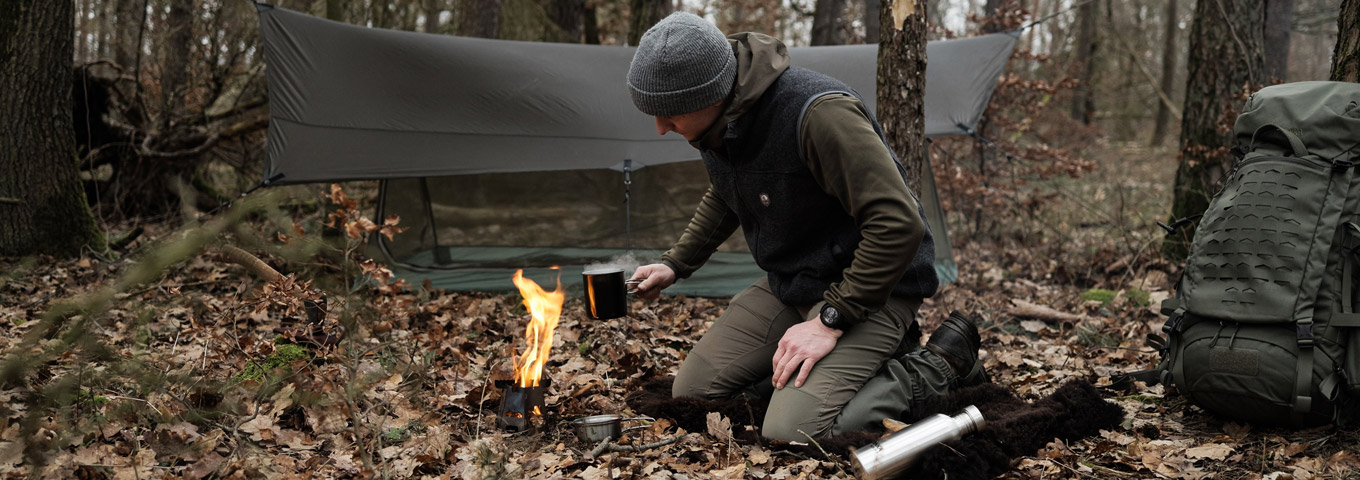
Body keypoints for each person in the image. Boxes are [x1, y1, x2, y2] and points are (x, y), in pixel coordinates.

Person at [625, 12, 986, 441]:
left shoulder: (818, 114)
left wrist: (829, 322)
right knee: (693, 392)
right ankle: (828, 374)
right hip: (794, 283)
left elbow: (899, 224)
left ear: (712, 93)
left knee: (792, 431)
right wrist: (675, 265)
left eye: (670, 113)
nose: (661, 127)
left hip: (874, 291)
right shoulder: (718, 124)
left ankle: (939, 366)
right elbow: (727, 192)